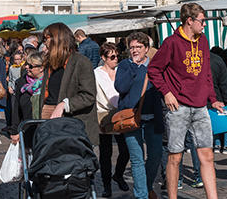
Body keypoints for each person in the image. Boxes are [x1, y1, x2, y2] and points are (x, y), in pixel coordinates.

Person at [147, 3, 224, 199]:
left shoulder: (203, 40)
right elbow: (154, 70)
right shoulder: (171, 43)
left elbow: (206, 73)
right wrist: (166, 92)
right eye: (202, 21)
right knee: (175, 156)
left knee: (207, 155)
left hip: (201, 107)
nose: (204, 25)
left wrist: (213, 99)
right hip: (178, 107)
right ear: (190, 21)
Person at [115, 32, 164, 199]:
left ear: (146, 48)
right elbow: (121, 87)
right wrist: (135, 68)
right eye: (132, 47)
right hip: (131, 119)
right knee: (137, 159)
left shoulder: (155, 66)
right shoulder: (124, 65)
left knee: (155, 156)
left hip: (153, 118)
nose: (135, 50)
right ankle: (141, 195)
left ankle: (147, 186)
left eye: (138, 47)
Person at [39, 23, 99, 144]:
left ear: (57, 39)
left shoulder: (81, 62)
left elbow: (89, 95)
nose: (44, 43)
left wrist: (63, 105)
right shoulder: (50, 64)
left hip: (74, 125)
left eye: (46, 38)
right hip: (49, 120)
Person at [94, 42, 130, 197]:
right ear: (103, 58)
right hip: (103, 114)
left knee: (126, 149)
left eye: (117, 56)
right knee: (105, 152)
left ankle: (119, 174)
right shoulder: (96, 74)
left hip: (121, 113)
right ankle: (106, 184)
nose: (116, 59)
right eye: (112, 57)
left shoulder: (121, 70)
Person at [8, 51, 44, 145]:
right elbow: (16, 109)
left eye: (31, 66)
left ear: (41, 68)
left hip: (44, 131)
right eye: (27, 64)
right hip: (26, 130)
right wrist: (15, 131)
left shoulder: (47, 83)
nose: (27, 67)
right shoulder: (21, 82)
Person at [210, 48, 227, 154]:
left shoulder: (205, 60)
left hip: (209, 97)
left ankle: (217, 145)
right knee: (225, 121)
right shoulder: (220, 62)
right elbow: (224, 84)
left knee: (215, 122)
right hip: (221, 96)